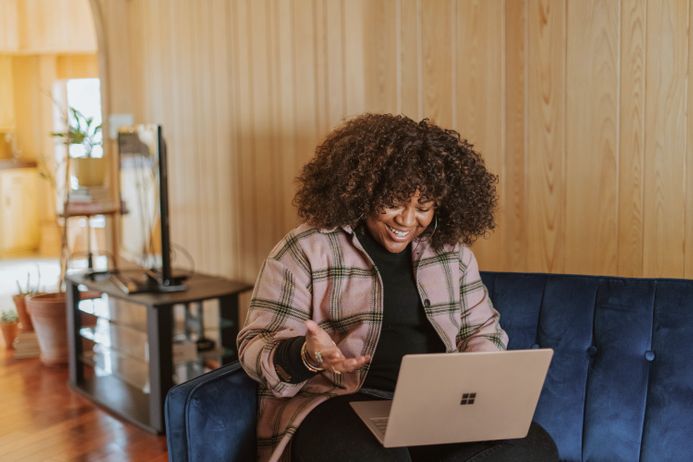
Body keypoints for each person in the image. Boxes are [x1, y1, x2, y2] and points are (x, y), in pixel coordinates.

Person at [237, 113, 558, 462]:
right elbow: (254, 346)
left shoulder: (454, 255)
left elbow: (482, 331)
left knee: (532, 449)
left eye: (423, 207)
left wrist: (476, 380)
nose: (407, 220)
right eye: (393, 202)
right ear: (364, 191)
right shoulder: (306, 249)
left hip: (436, 408)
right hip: (338, 403)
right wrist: (307, 355)